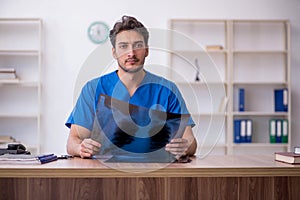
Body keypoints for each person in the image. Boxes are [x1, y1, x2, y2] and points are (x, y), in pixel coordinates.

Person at [65, 15, 197, 159]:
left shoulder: (168, 90)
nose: (131, 53)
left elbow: (190, 140)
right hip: (104, 172)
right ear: (114, 52)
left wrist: (185, 147)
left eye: (138, 45)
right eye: (123, 46)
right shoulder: (93, 89)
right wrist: (81, 148)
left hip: (156, 172)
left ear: (147, 50)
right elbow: (74, 141)